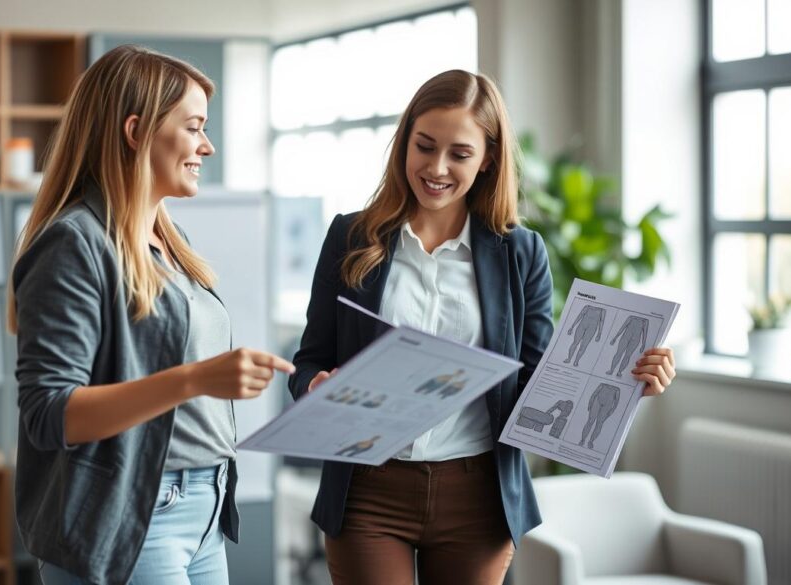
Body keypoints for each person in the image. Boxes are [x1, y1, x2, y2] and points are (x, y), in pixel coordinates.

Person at [288, 69, 676, 585]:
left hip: (478, 496)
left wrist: (624, 384)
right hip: (368, 491)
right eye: (424, 146)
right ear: (404, 141)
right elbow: (309, 359)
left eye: (459, 154)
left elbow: (540, 380)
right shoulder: (350, 237)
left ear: (488, 158)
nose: (437, 167)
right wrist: (315, 386)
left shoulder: (520, 252)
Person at [7, 45, 293, 585]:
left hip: (205, 509)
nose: (207, 146)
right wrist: (195, 379)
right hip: (132, 518)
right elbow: (50, 413)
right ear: (136, 131)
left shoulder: (169, 238)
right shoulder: (73, 244)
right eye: (193, 127)